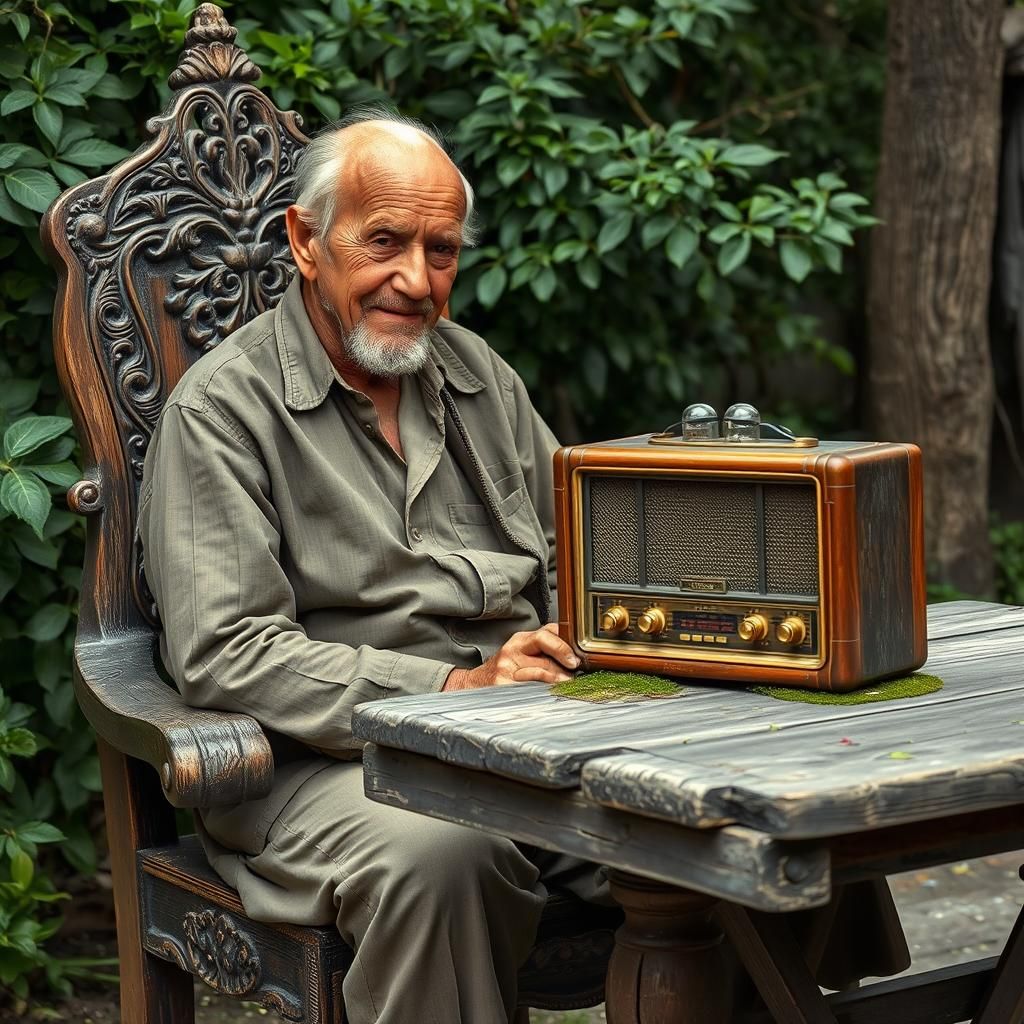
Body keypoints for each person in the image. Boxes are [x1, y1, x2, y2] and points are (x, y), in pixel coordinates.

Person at [140, 109, 909, 1024]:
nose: (416, 281)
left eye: (442, 250)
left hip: (530, 735)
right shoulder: (223, 411)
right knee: (441, 859)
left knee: (772, 809)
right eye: (384, 242)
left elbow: (588, 554)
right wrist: (452, 687)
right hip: (330, 765)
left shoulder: (473, 372)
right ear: (306, 241)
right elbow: (228, 652)